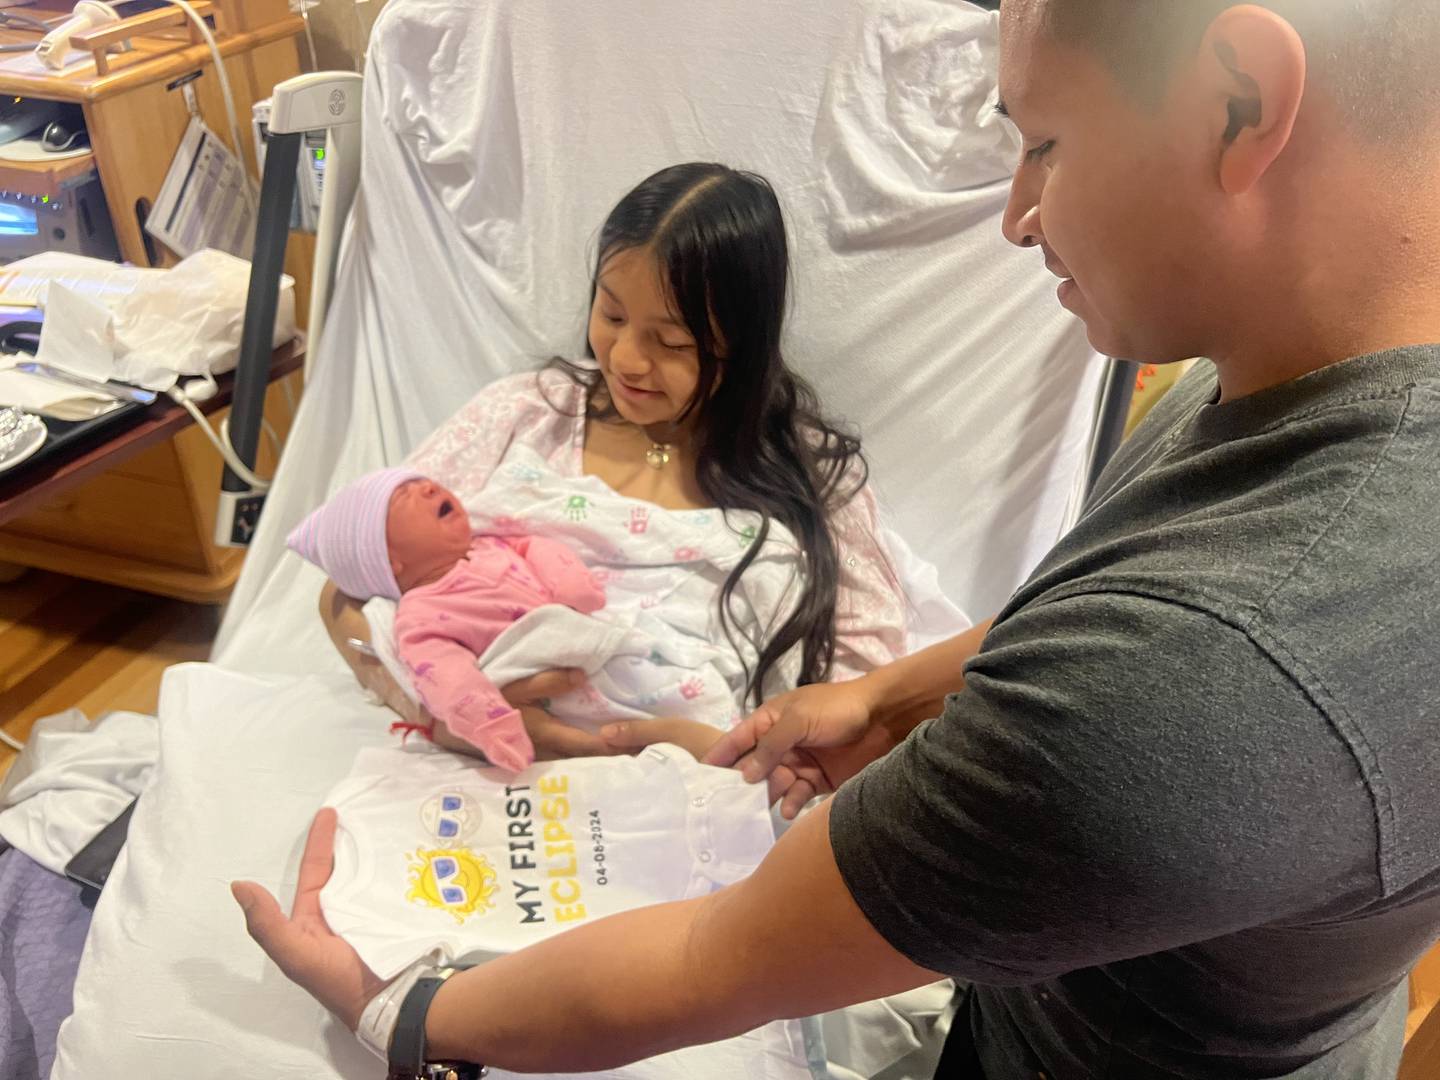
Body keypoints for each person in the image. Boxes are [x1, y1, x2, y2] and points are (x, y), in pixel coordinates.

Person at [233, 2, 1440, 1077]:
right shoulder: (1258, 395)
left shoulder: (1194, 679)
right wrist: (892, 698)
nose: (1016, 218)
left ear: (1241, 101)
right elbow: (1111, 605)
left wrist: (406, 1014)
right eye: (611, 316)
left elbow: (712, 960)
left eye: (1044, 142)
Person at [310, 160, 908, 761]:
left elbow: (868, 687)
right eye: (612, 314)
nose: (625, 359)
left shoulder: (813, 475)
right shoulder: (526, 414)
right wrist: (436, 709)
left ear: (743, 343)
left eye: (671, 342)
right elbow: (346, 589)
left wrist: (723, 752)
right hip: (489, 769)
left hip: (700, 778)